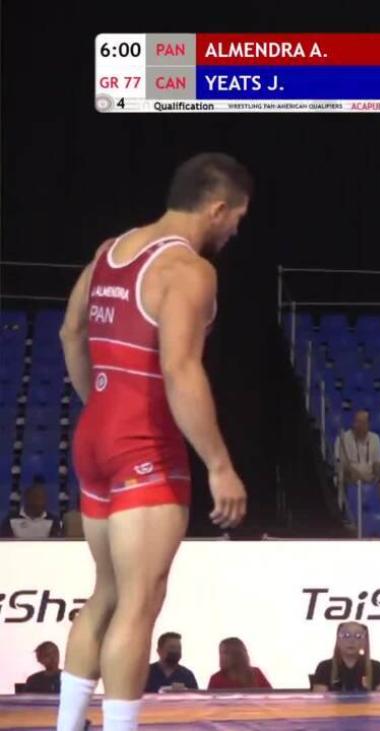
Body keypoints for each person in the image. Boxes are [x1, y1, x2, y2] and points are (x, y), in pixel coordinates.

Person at [57, 153, 250, 731]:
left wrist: (100, 404)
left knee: (106, 593)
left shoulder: (110, 250)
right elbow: (179, 369)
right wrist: (219, 464)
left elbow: (70, 332)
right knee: (140, 602)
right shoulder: (189, 269)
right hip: (145, 445)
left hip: (96, 435)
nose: (236, 231)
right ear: (217, 208)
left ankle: (68, 726)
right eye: (238, 218)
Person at [311, 622, 380, 692]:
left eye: (358, 636)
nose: (351, 641)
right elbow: (320, 700)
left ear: (364, 642)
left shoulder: (376, 667)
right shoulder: (325, 667)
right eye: (346, 636)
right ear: (338, 641)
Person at [335, 409, 380, 486]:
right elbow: (344, 467)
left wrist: (375, 482)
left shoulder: (375, 438)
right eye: (356, 422)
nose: (358, 425)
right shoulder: (342, 439)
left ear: (368, 424)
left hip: (370, 481)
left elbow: (378, 465)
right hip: (349, 481)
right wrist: (361, 479)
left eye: (362, 423)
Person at [207, 637, 271, 690]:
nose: (222, 657)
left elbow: (270, 697)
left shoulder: (256, 673)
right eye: (220, 653)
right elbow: (210, 701)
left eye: (226, 653)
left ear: (237, 654)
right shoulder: (216, 679)